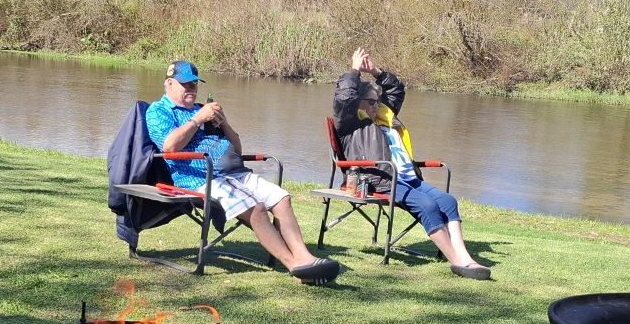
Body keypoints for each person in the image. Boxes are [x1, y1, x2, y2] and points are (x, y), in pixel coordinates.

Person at [145, 60, 340, 285]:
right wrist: (197, 120)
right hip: (201, 177)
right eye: (185, 84)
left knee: (282, 199)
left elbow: (237, 149)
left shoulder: (202, 109)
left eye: (195, 84)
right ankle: (295, 266)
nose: (192, 89)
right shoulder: (158, 111)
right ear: (169, 84)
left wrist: (224, 123)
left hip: (235, 172)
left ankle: (305, 257)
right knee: (256, 208)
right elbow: (169, 147)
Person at [333, 48, 492, 280]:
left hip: (408, 178)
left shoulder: (385, 119)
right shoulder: (350, 124)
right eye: (370, 102)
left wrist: (376, 71)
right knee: (427, 205)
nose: (376, 106)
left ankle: (464, 256)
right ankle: (456, 262)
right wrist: (355, 70)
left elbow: (396, 90)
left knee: (448, 202)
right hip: (379, 179)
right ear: (357, 102)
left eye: (377, 101)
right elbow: (343, 97)